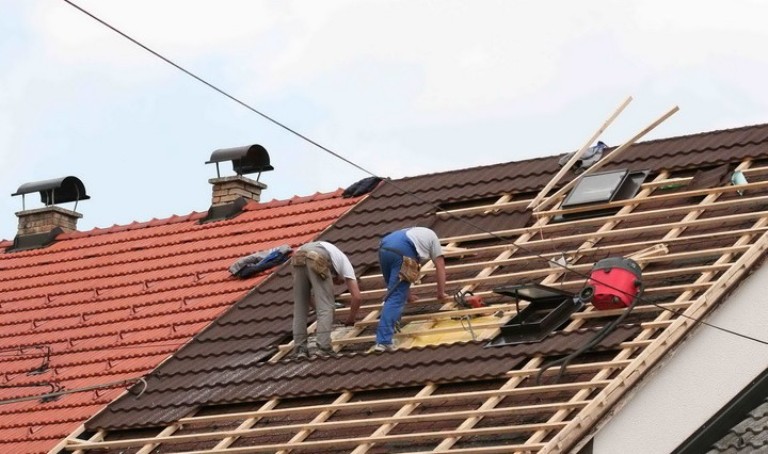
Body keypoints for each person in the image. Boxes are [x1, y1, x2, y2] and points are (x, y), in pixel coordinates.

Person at [373, 227, 449, 352]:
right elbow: (440, 266)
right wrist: (441, 293)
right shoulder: (433, 240)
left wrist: (408, 296)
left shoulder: (416, 233)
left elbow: (405, 276)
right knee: (395, 298)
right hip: (402, 250)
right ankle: (383, 342)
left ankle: (391, 326)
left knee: (393, 291)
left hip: (384, 247)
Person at [292, 241, 362, 359]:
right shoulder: (346, 265)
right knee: (326, 306)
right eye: (340, 282)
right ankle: (324, 348)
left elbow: (308, 297)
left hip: (298, 256)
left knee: (300, 308)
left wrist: (320, 313)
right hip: (316, 256)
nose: (337, 283)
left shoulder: (334, 259)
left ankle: (300, 350)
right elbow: (357, 297)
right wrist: (351, 319)